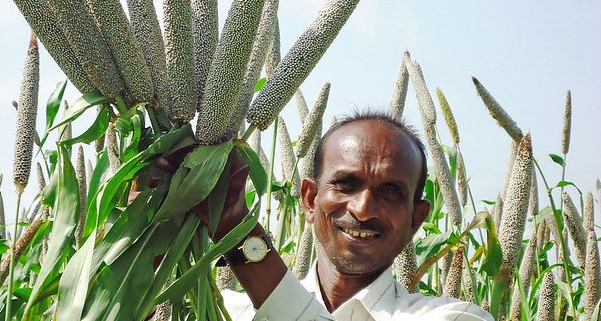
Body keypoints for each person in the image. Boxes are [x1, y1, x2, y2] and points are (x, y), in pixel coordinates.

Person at [200, 110, 493, 320]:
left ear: (415, 219)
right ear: (311, 199)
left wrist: (236, 228)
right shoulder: (224, 310)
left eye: (390, 191)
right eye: (346, 185)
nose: (363, 208)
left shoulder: (455, 317)